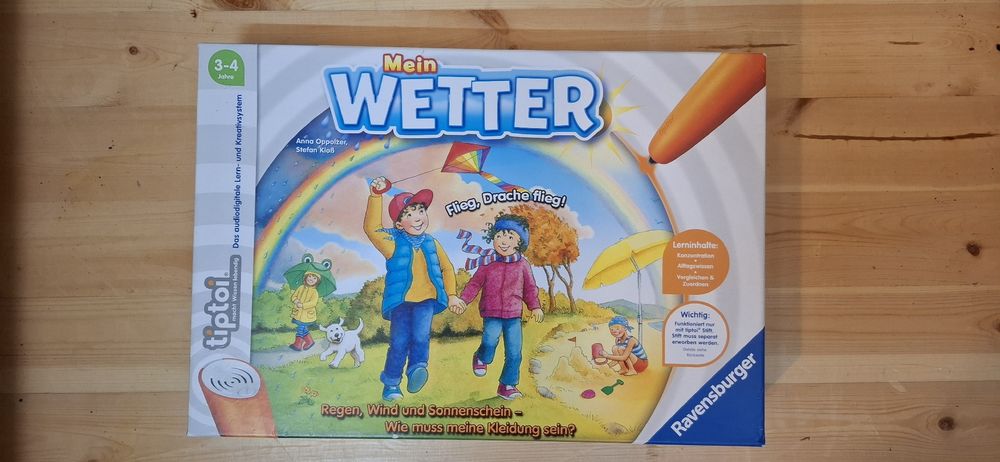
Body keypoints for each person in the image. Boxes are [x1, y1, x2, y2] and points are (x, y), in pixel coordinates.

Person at [364, 176, 465, 401]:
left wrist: (451, 295)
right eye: (408, 214)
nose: (417, 217)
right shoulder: (391, 243)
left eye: (420, 211)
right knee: (399, 343)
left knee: (421, 337)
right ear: (399, 224)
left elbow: (447, 268)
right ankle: (391, 383)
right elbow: (371, 228)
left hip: (427, 301)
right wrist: (376, 196)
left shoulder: (432, 242)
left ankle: (417, 368)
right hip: (401, 303)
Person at [455, 214, 543, 400]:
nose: (503, 241)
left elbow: (530, 288)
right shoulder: (487, 263)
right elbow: (474, 284)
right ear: (493, 237)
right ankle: (482, 357)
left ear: (519, 243)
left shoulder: (523, 265)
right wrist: (464, 300)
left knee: (514, 352)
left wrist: (535, 307)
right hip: (492, 312)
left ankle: (507, 386)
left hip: (514, 315)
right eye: (500, 235)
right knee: (490, 341)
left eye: (510, 237)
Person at [289, 272, 321, 351]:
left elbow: (313, 303)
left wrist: (303, 305)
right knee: (303, 328)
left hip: (307, 315)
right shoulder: (301, 288)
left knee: (300, 328)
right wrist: (296, 301)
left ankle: (298, 344)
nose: (311, 279)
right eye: (310, 276)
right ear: (306, 277)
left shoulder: (314, 292)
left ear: (317, 281)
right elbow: (294, 296)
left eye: (314, 278)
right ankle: (310, 341)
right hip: (298, 313)